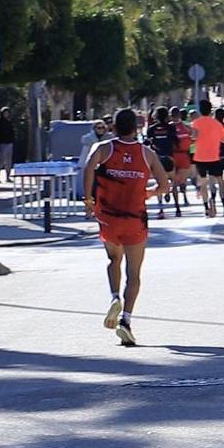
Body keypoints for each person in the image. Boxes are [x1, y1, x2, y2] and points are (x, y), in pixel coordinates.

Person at [82, 108, 170, 348]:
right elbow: (165, 185)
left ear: (113, 127)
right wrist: (149, 193)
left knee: (113, 259)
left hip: (108, 217)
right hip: (135, 218)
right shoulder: (147, 154)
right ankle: (126, 321)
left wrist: (89, 200)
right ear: (136, 128)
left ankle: (114, 297)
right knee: (134, 272)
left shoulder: (103, 149)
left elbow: (89, 168)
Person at [188, 99, 224, 218]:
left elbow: (194, 137)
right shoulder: (216, 123)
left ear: (200, 110)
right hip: (214, 157)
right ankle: (215, 201)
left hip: (200, 157)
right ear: (210, 110)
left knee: (203, 183)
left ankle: (206, 207)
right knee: (213, 182)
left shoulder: (196, 123)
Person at [145, 107, 180, 220]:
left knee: (159, 183)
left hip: (157, 160)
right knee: (173, 180)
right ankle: (177, 207)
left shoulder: (151, 129)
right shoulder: (171, 128)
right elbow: (176, 142)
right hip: (169, 158)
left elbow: (147, 143)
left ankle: (161, 209)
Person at [0, 108, 16, 181]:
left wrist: (12, 140)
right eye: (5, 113)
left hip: (9, 143)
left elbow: (12, 132)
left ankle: (8, 176)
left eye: (7, 113)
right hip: (1, 143)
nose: (6, 114)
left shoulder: (9, 122)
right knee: (1, 161)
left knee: (9, 161)